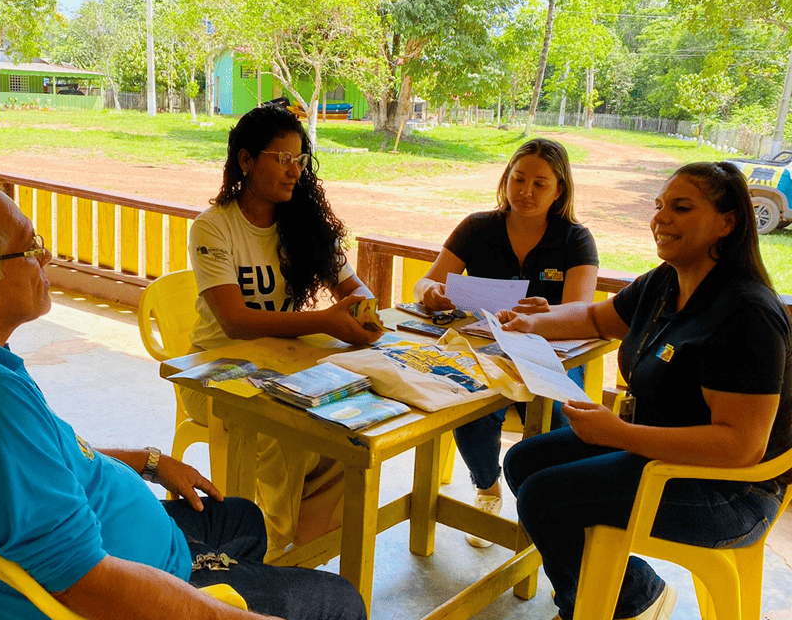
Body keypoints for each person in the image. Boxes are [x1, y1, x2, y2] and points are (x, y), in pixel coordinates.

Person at [0, 173, 367, 620]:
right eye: (28, 249)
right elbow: (88, 585)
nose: (46, 257)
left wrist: (147, 462)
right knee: (341, 602)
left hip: (127, 537)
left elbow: (34, 462)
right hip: (139, 583)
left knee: (244, 518)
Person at [499, 162, 792, 620]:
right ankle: (633, 593)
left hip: (729, 489)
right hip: (660, 449)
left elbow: (741, 446)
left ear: (727, 222)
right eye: (659, 206)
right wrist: (532, 324)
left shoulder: (745, 312)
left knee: (545, 497)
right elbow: (599, 318)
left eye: (681, 207)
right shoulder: (667, 281)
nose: (660, 219)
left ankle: (608, 606)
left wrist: (617, 433)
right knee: (523, 460)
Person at [185, 104, 379, 554]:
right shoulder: (214, 227)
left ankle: (308, 544)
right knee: (286, 429)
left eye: (300, 161)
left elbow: (354, 288)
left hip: (282, 362)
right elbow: (235, 322)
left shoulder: (302, 224)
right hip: (213, 373)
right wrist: (327, 321)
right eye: (282, 159)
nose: (294, 172)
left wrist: (364, 314)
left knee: (348, 426)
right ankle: (269, 554)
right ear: (246, 161)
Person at [412, 137, 599, 547]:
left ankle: (545, 508)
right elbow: (426, 280)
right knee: (468, 404)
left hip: (550, 358)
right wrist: (429, 292)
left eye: (540, 184)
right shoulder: (479, 227)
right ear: (506, 179)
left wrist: (544, 315)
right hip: (483, 351)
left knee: (557, 418)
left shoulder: (575, 240)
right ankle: (487, 487)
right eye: (518, 179)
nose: (526, 192)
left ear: (560, 190)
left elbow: (580, 312)